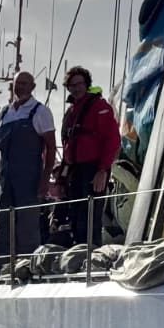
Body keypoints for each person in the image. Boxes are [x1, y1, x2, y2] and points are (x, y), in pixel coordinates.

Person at [0, 71, 57, 265]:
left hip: (29, 179)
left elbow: (51, 147)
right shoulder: (4, 113)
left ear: (32, 87)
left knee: (27, 226)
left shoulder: (40, 112)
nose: (20, 87)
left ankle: (28, 267)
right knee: (3, 225)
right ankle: (0, 269)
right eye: (17, 83)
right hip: (6, 180)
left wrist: (45, 180)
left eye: (24, 83)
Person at [54, 67, 121, 247]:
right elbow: (67, 144)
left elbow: (112, 140)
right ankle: (78, 254)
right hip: (74, 170)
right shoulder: (71, 113)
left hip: (94, 169)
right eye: (71, 85)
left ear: (86, 84)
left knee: (91, 217)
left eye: (79, 84)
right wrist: (61, 179)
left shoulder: (100, 107)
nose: (76, 89)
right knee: (75, 216)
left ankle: (92, 258)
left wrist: (102, 170)